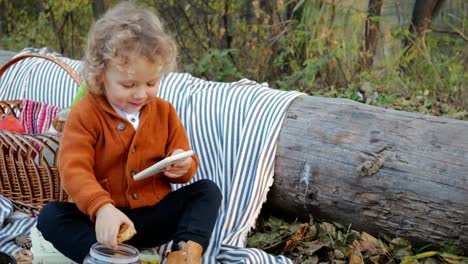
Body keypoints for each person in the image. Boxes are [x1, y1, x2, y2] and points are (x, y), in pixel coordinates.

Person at [37, 2, 222, 264]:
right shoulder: (86, 113)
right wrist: (101, 208)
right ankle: (104, 259)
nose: (140, 93)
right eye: (128, 84)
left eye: (151, 83)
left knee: (207, 191)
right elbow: (73, 169)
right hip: (104, 225)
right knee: (50, 216)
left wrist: (183, 164)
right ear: (100, 76)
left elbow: (186, 158)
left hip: (152, 218)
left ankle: (183, 254)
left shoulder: (164, 112)